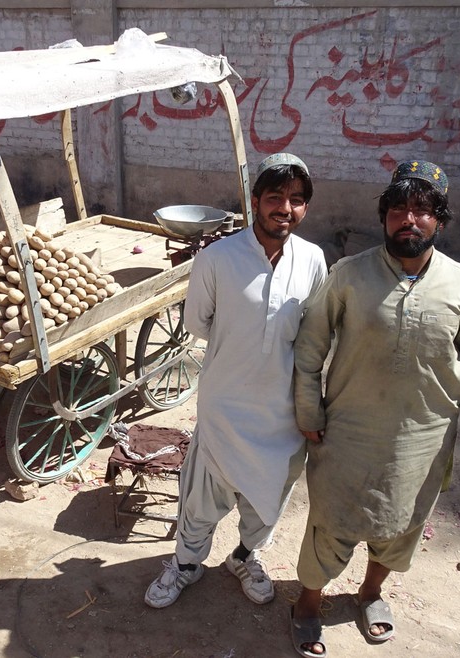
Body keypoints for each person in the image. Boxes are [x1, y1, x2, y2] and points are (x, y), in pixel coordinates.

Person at [288, 160, 460, 657]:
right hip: (350, 433)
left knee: (401, 524)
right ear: (384, 217)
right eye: (398, 209)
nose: (409, 219)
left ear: (439, 221)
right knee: (331, 524)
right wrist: (308, 411)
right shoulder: (348, 275)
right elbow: (310, 349)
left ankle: (371, 594)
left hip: (424, 438)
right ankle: (308, 603)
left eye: (422, 210)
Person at [144, 153, 328, 609]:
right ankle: (186, 564)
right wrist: (243, 346)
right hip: (224, 405)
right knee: (202, 497)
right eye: (275, 197)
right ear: (255, 201)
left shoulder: (313, 260)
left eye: (296, 200)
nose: (285, 208)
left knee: (267, 496)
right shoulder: (217, 259)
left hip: (282, 413)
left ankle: (245, 556)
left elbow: (315, 332)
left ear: (305, 208)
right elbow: (199, 323)